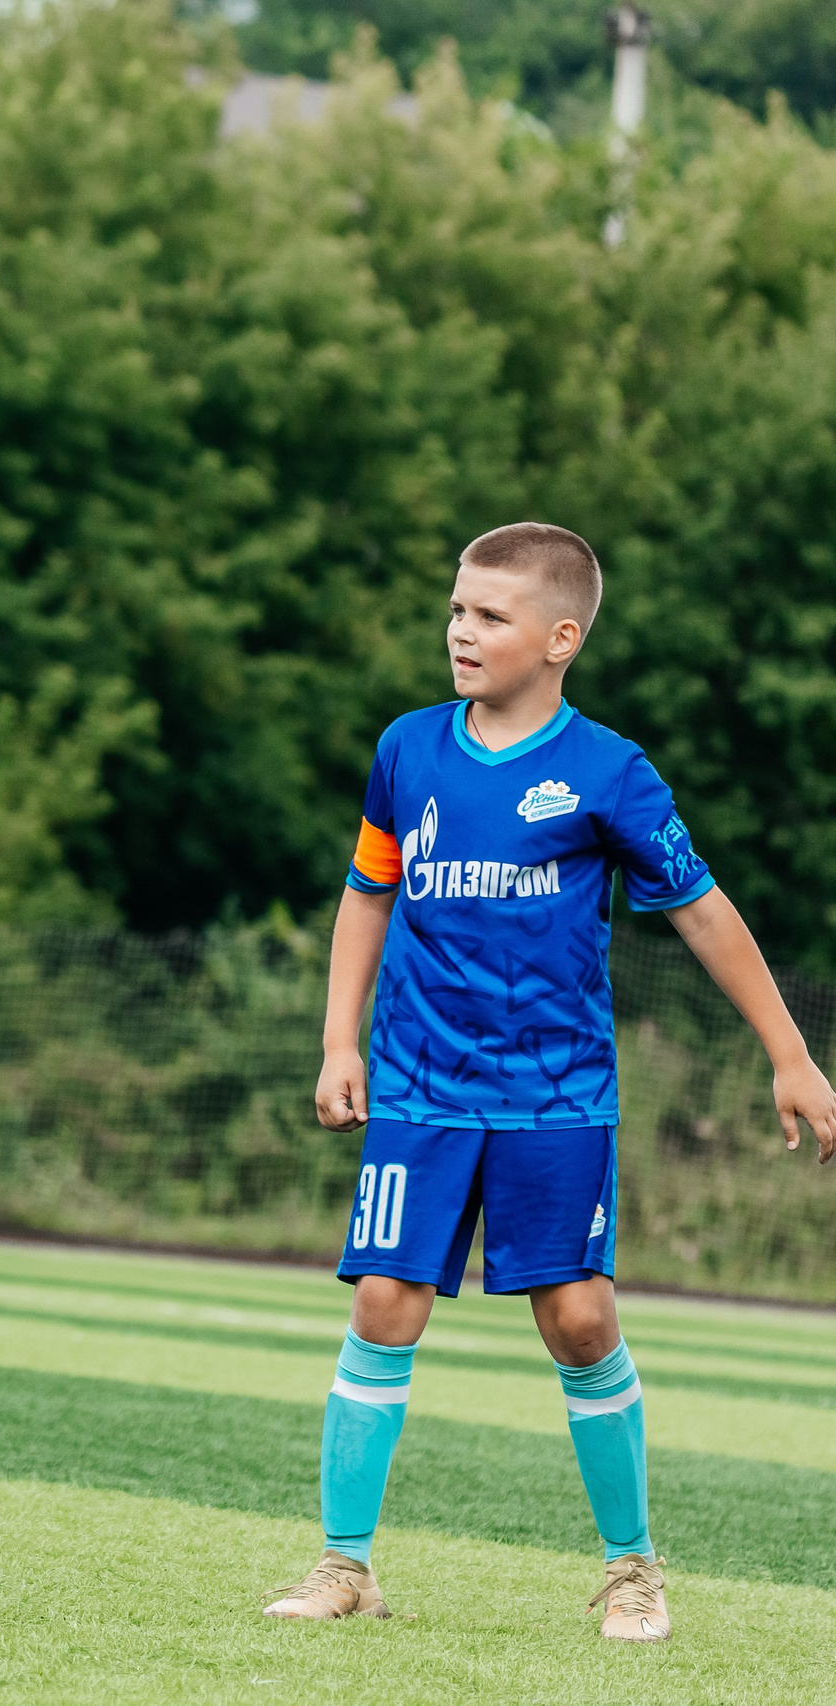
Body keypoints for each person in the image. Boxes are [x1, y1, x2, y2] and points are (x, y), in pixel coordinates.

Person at [263, 523, 836, 1641]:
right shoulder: (408, 749)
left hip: (557, 1094)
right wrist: (341, 1040)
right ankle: (344, 1563)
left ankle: (632, 1568)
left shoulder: (607, 770)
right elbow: (366, 893)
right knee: (384, 1301)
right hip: (422, 1082)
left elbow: (703, 910)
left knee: (576, 1318)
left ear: (559, 637)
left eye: (490, 615)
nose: (461, 632)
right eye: (456, 609)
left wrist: (790, 1052)